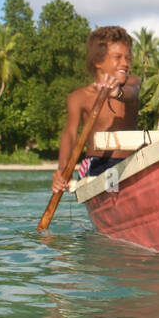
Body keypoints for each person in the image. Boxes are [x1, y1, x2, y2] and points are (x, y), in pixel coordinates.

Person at [53, 26, 142, 193]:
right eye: (118, 57)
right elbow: (70, 133)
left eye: (128, 58)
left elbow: (132, 93)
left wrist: (118, 93)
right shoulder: (79, 97)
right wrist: (63, 170)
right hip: (97, 164)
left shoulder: (132, 83)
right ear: (97, 61)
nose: (125, 63)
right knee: (112, 181)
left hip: (133, 163)